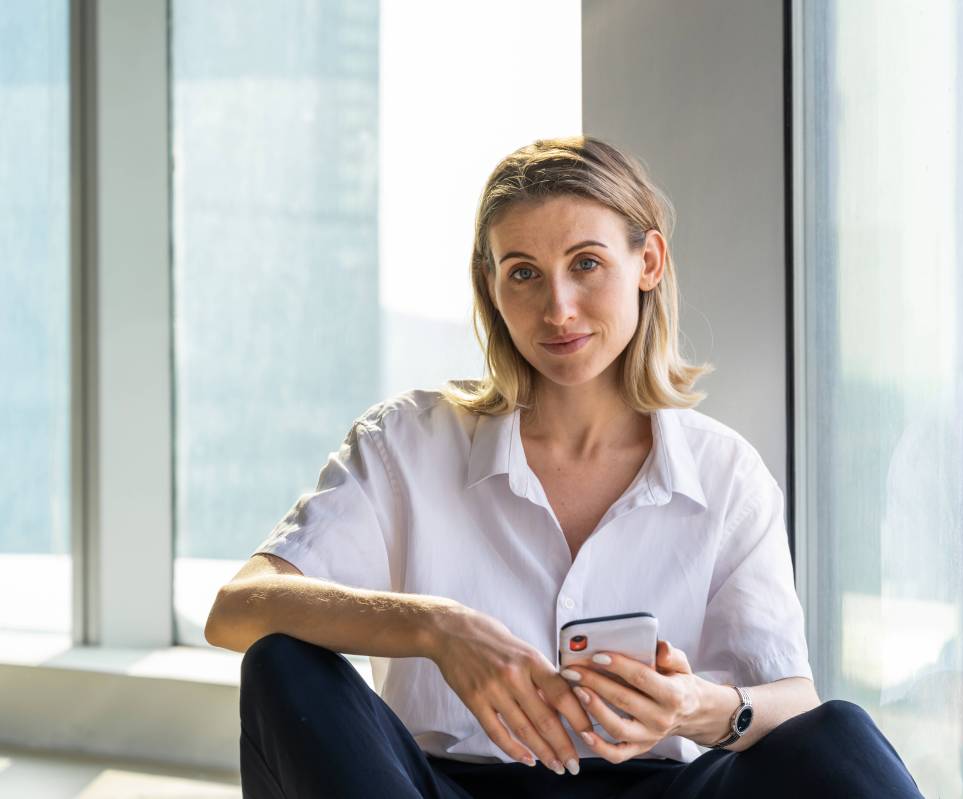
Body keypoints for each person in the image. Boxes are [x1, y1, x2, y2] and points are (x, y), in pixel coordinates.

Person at [205, 136, 924, 798]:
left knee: (840, 734)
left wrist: (696, 707)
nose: (558, 307)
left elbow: (789, 699)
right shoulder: (409, 441)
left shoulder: (726, 472)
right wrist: (438, 628)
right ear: (492, 288)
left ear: (648, 263)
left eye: (586, 263)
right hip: (444, 787)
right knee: (281, 665)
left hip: (662, 787)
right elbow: (237, 607)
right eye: (523, 274)